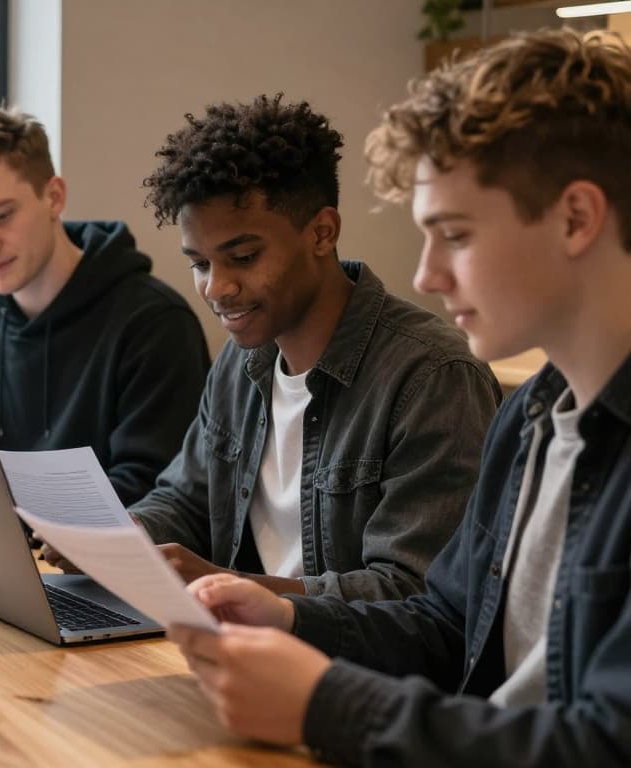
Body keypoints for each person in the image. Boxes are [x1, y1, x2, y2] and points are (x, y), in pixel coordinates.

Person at [171, 29, 631, 765]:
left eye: (454, 234)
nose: (425, 275)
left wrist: (327, 706)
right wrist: (289, 618)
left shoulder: (444, 377)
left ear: (576, 218)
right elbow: (449, 627)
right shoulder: (533, 417)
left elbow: (606, 746)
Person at [63, 95, 501, 601]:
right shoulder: (242, 358)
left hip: (345, 673)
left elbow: (412, 596)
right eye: (200, 264)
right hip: (242, 648)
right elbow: (185, 499)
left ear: (322, 232)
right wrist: (122, 539)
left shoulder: (432, 378)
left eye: (243, 257)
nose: (215, 288)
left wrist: (228, 589)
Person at [0, 105, 210, 505]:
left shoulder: (155, 323)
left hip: (100, 561)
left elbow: (153, 491)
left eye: (1, 216)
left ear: (54, 197)